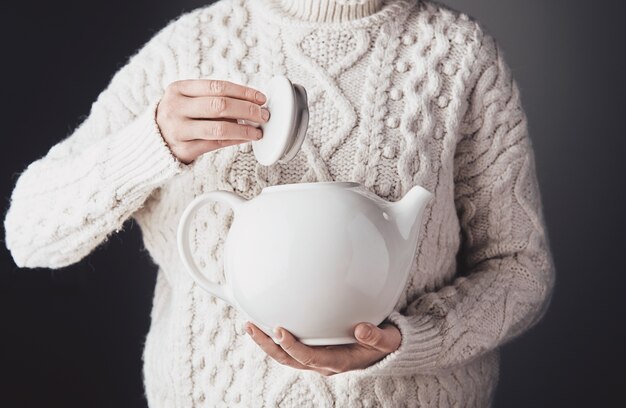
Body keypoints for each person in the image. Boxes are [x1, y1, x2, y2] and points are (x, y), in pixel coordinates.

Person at [3, 0, 556, 406]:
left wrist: (411, 340)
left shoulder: (459, 55)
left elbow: (519, 270)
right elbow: (29, 232)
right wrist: (153, 144)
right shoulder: (187, 48)